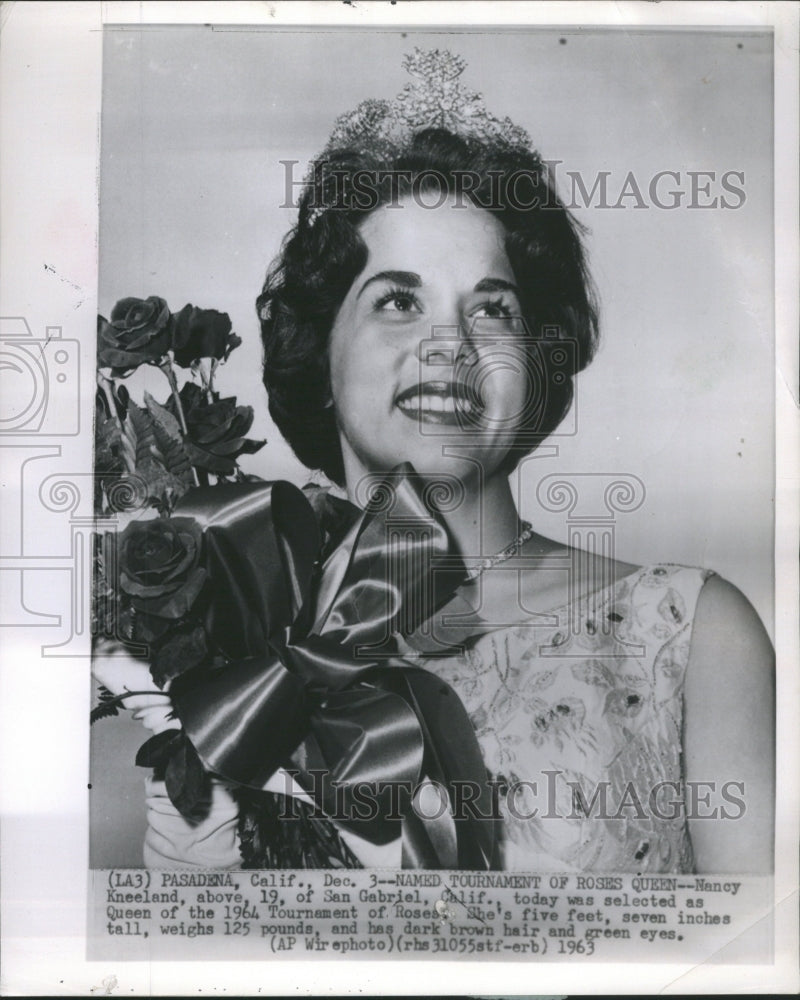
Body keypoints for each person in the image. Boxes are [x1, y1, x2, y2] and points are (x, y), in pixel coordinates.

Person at [94, 49, 774, 874]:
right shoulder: (223, 637)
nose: (450, 344)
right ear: (322, 350)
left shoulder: (693, 633)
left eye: (492, 308)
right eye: (398, 300)